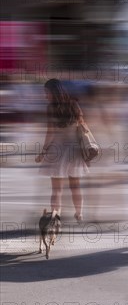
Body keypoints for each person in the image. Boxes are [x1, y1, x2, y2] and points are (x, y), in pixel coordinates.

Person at [35, 78, 89, 223]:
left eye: (47, 93)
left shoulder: (51, 108)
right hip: (74, 151)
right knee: (75, 186)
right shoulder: (74, 105)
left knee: (57, 189)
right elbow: (83, 126)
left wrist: (43, 152)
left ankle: (55, 216)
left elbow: (50, 133)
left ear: (54, 92)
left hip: (57, 151)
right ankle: (79, 214)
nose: (46, 96)